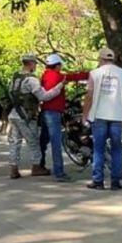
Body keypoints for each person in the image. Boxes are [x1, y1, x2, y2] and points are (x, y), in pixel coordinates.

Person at [7, 54, 65, 180]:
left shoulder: (15, 77)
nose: (36, 66)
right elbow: (44, 96)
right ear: (31, 64)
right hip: (26, 116)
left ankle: (13, 169)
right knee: (34, 142)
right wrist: (59, 87)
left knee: (14, 142)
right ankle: (36, 167)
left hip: (13, 114)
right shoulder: (31, 80)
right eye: (35, 63)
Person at [82, 48, 122, 191]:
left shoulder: (95, 74)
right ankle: (115, 182)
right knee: (117, 149)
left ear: (101, 59)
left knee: (99, 149)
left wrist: (85, 114)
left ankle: (98, 181)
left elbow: (89, 96)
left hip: (99, 115)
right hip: (117, 116)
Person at [39, 54, 90, 182]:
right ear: (57, 66)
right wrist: (90, 74)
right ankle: (59, 173)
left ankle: (40, 165)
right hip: (54, 113)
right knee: (56, 142)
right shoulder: (58, 76)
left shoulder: (44, 76)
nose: (61, 67)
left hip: (45, 112)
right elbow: (74, 76)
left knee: (43, 141)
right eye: (60, 65)